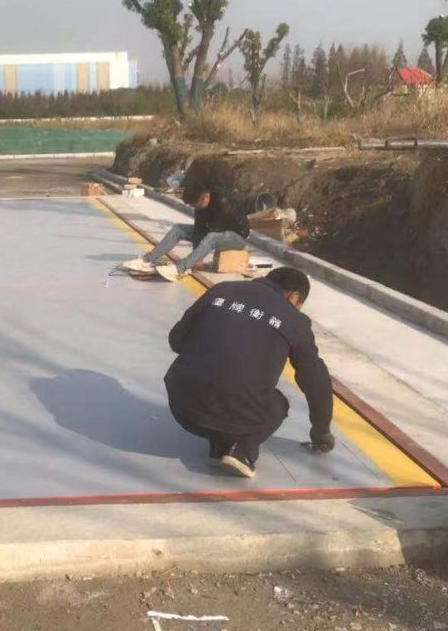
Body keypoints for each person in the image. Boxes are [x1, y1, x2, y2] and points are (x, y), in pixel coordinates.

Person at [163, 265, 335, 478]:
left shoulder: (221, 290)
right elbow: (316, 381)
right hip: (237, 416)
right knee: (276, 404)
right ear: (294, 297)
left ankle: (220, 446)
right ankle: (242, 450)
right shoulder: (295, 321)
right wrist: (321, 432)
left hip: (181, 407)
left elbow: (176, 340)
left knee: (225, 389)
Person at [123, 176, 249, 278]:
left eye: (197, 205)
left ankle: (180, 268)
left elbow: (212, 234)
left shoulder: (223, 203)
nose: (196, 208)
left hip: (237, 237)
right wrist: (197, 256)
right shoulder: (200, 202)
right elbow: (199, 228)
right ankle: (148, 260)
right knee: (179, 229)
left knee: (212, 237)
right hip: (216, 232)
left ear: (206, 197)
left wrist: (197, 258)